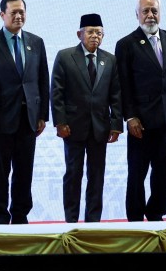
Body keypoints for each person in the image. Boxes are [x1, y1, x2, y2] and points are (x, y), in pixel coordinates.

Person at [115, 0, 166, 222]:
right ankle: (136, 219)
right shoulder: (126, 44)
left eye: (154, 11)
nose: (150, 15)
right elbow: (123, 85)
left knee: (163, 173)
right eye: (146, 11)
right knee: (137, 174)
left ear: (160, 13)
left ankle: (156, 213)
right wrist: (129, 118)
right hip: (141, 123)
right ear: (137, 14)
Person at [0, 0, 49, 225]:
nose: (18, 16)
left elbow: (42, 80)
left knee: (24, 172)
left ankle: (20, 216)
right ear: (2, 15)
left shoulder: (36, 42)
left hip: (28, 120)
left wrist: (42, 115)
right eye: (13, 12)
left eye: (22, 12)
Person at [50, 13, 121, 223]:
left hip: (100, 127)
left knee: (97, 176)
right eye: (90, 32)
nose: (95, 37)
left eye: (99, 33)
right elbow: (57, 92)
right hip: (73, 127)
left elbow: (116, 94)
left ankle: (93, 221)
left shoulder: (110, 59)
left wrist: (116, 124)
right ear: (79, 34)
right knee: (73, 174)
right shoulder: (65, 56)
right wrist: (60, 122)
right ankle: (70, 220)